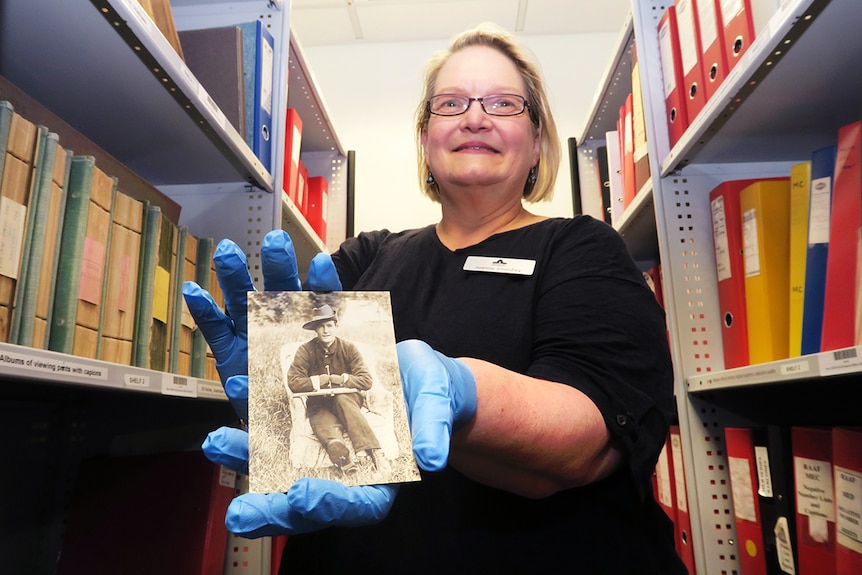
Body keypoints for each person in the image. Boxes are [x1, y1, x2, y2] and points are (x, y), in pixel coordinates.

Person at [184, 22, 687, 574]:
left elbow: (588, 442)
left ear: (538, 140)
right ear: (425, 139)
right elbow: (312, 437)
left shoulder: (581, 247)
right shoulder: (365, 258)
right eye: (450, 104)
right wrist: (279, 402)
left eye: (502, 103)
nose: (475, 117)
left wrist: (461, 391)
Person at [286, 304, 390, 478]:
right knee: (324, 424)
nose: (325, 330)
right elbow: (294, 382)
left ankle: (375, 453)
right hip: (318, 403)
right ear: (315, 329)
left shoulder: (348, 348)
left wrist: (341, 379)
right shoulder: (305, 350)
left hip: (348, 398)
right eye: (321, 326)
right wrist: (322, 380)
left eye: (329, 325)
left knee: (343, 400)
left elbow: (366, 380)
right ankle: (345, 460)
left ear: (336, 326)